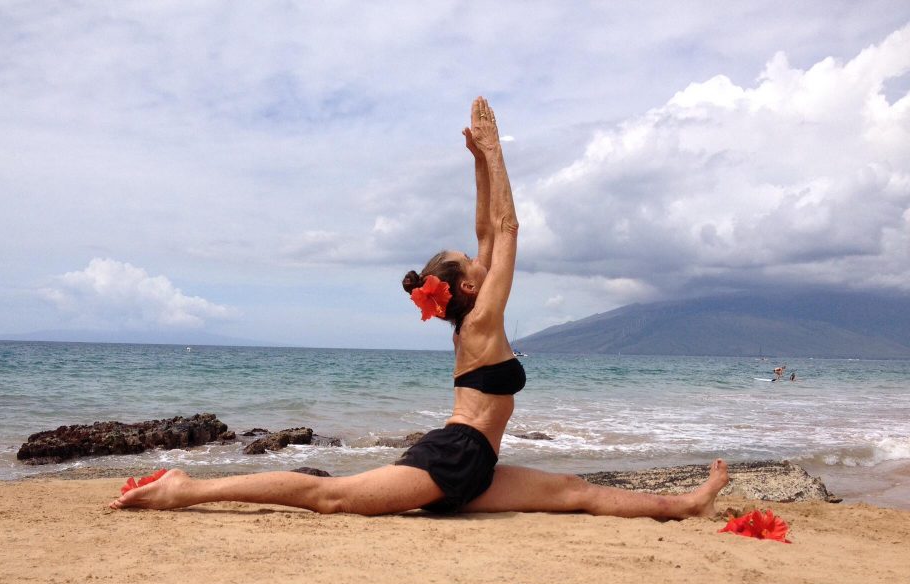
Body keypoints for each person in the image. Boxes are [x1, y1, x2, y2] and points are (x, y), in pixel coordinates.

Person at [111, 97, 729, 519]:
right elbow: (508, 230)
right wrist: (495, 149)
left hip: (474, 463)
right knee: (334, 498)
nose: (481, 258)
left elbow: (487, 228)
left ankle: (689, 504)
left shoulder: (474, 311)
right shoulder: (483, 321)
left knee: (575, 492)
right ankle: (188, 489)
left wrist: (478, 166)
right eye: (471, 262)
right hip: (455, 458)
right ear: (462, 288)